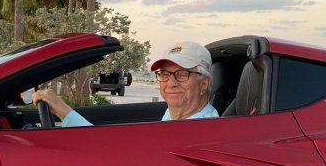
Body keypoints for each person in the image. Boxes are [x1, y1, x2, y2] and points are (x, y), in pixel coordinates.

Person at [32, 41, 218, 127]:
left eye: (182, 74)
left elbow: (114, 154)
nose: (171, 83)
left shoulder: (198, 129)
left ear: (204, 84)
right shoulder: (177, 114)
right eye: (164, 73)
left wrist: (63, 110)